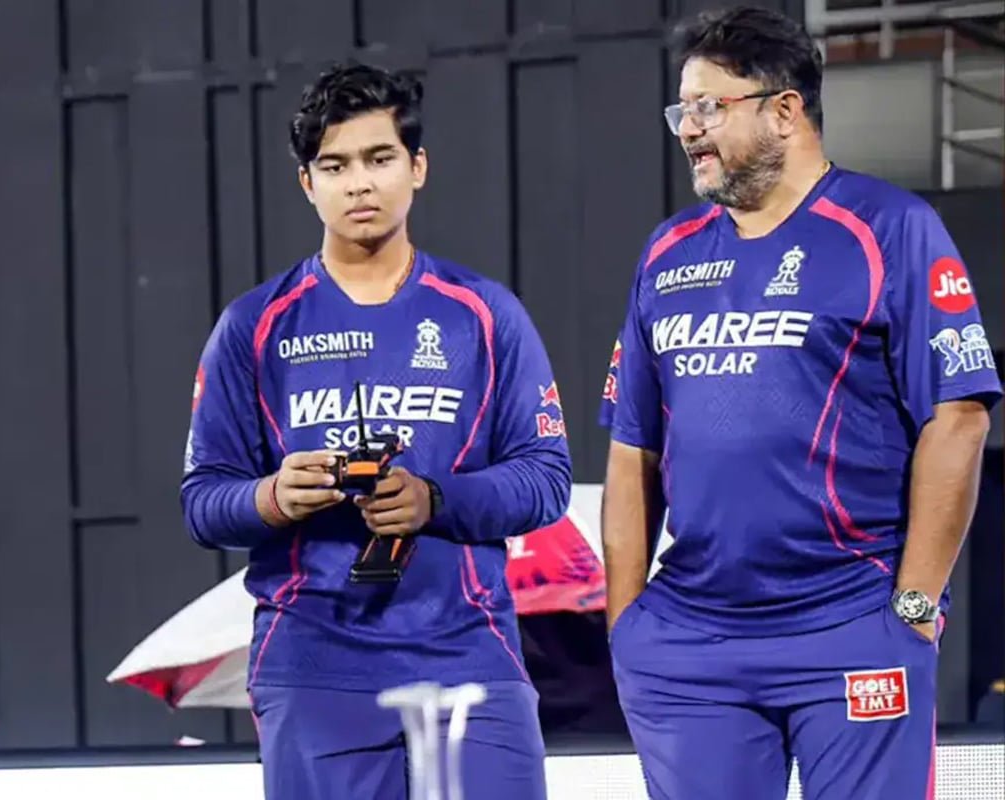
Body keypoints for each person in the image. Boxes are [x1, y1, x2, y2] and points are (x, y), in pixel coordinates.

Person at [598, 7, 1002, 800]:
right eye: (682, 110)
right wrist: (626, 626)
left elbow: (959, 417)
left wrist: (914, 605)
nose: (689, 129)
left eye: (709, 106)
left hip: (851, 622)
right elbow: (631, 446)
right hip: (692, 642)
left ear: (785, 110)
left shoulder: (891, 228)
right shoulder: (667, 252)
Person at [180, 62, 570, 800]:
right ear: (307, 183)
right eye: (335, 166)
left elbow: (546, 479)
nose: (359, 183)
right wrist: (271, 497)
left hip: (467, 653)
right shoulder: (253, 326)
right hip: (312, 662)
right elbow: (202, 502)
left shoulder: (485, 314)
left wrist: (434, 499)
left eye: (379, 158)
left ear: (417, 167)